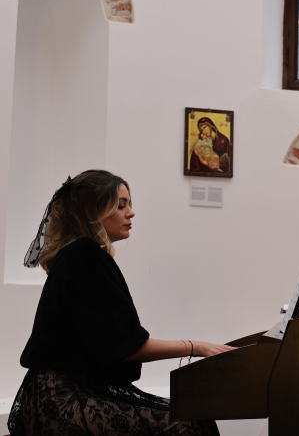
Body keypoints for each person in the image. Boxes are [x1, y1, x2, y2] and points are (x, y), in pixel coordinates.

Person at [8, 170, 234, 436]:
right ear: (91, 211)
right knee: (191, 425)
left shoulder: (80, 254)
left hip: (59, 393)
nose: (131, 213)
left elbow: (113, 343)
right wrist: (198, 347)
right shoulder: (84, 258)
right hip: (61, 401)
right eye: (121, 205)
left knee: (191, 418)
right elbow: (126, 347)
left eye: (129, 204)